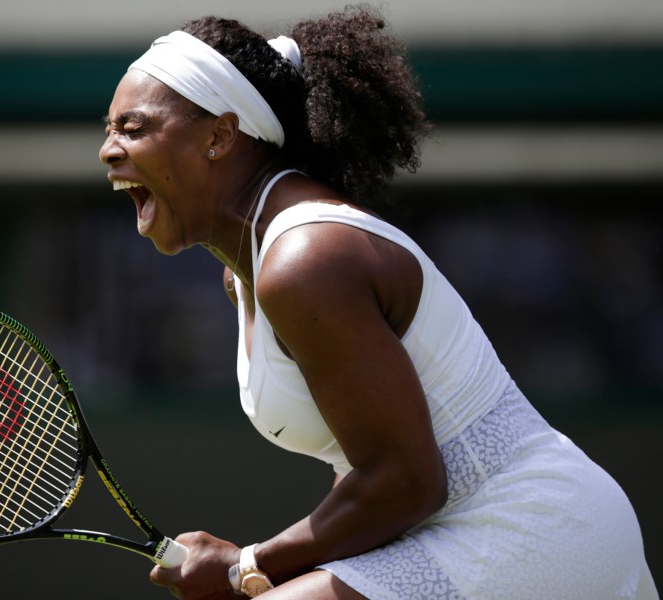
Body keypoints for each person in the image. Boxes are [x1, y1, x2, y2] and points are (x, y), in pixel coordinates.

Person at [98, 5, 658, 599]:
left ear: (220, 135)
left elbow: (406, 483)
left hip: (533, 529)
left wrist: (247, 566)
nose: (108, 151)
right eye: (107, 130)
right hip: (457, 529)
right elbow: (377, 477)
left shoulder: (304, 261)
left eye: (132, 128)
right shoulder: (252, 269)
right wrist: (260, 568)